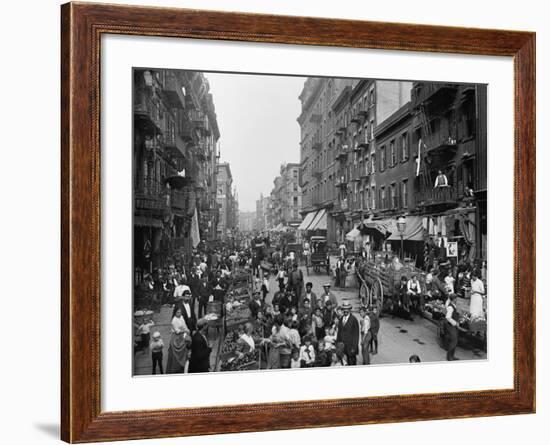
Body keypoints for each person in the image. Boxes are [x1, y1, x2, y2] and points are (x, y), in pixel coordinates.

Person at [166, 308, 190, 374]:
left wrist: (187, 330)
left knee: (188, 342)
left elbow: (184, 325)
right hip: (177, 337)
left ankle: (185, 363)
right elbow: (177, 331)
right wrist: (185, 331)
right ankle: (177, 366)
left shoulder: (181, 317)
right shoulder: (174, 321)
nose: (179, 314)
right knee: (176, 352)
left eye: (180, 312)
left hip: (183, 333)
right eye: (178, 312)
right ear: (175, 313)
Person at [336, 301, 360, 365]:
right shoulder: (341, 319)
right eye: (344, 309)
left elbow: (356, 335)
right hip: (343, 347)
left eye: (347, 309)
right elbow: (339, 332)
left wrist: (354, 347)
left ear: (350, 310)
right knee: (344, 363)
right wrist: (337, 343)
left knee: (352, 362)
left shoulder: (354, 320)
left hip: (351, 347)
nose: (345, 311)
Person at [445, 293, 460, 361]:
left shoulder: (453, 305)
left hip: (453, 326)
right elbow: (448, 317)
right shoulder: (450, 307)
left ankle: (452, 355)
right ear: (453, 299)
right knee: (453, 341)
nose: (457, 299)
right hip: (451, 326)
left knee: (455, 341)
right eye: (456, 298)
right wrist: (455, 323)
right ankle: (449, 357)